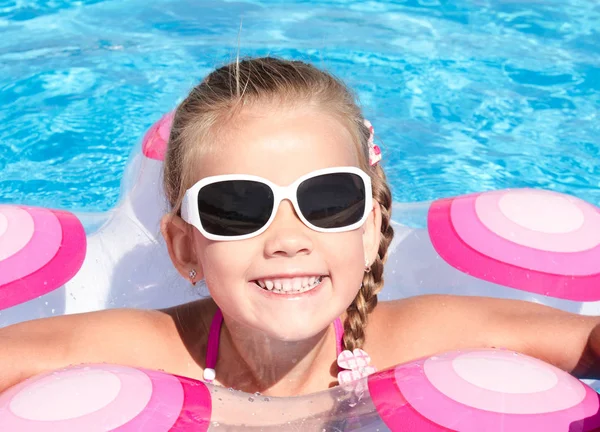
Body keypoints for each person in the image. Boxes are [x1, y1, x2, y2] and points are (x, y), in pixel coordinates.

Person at [1, 57, 599, 398]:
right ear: (186, 246)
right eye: (236, 207)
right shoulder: (156, 352)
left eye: (328, 200)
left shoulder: (410, 339)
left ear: (368, 230)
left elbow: (587, 341)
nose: (288, 239)